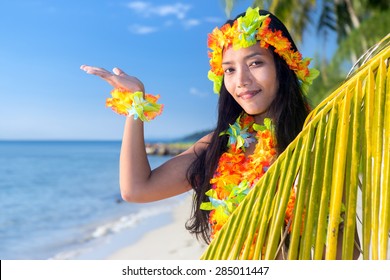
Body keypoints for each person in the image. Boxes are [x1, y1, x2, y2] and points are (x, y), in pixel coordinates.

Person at [80, 7, 323, 257]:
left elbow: (345, 249)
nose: (241, 80)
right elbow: (136, 189)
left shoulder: (315, 140)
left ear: (283, 65)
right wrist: (135, 104)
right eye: (229, 69)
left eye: (255, 63)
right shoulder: (219, 146)